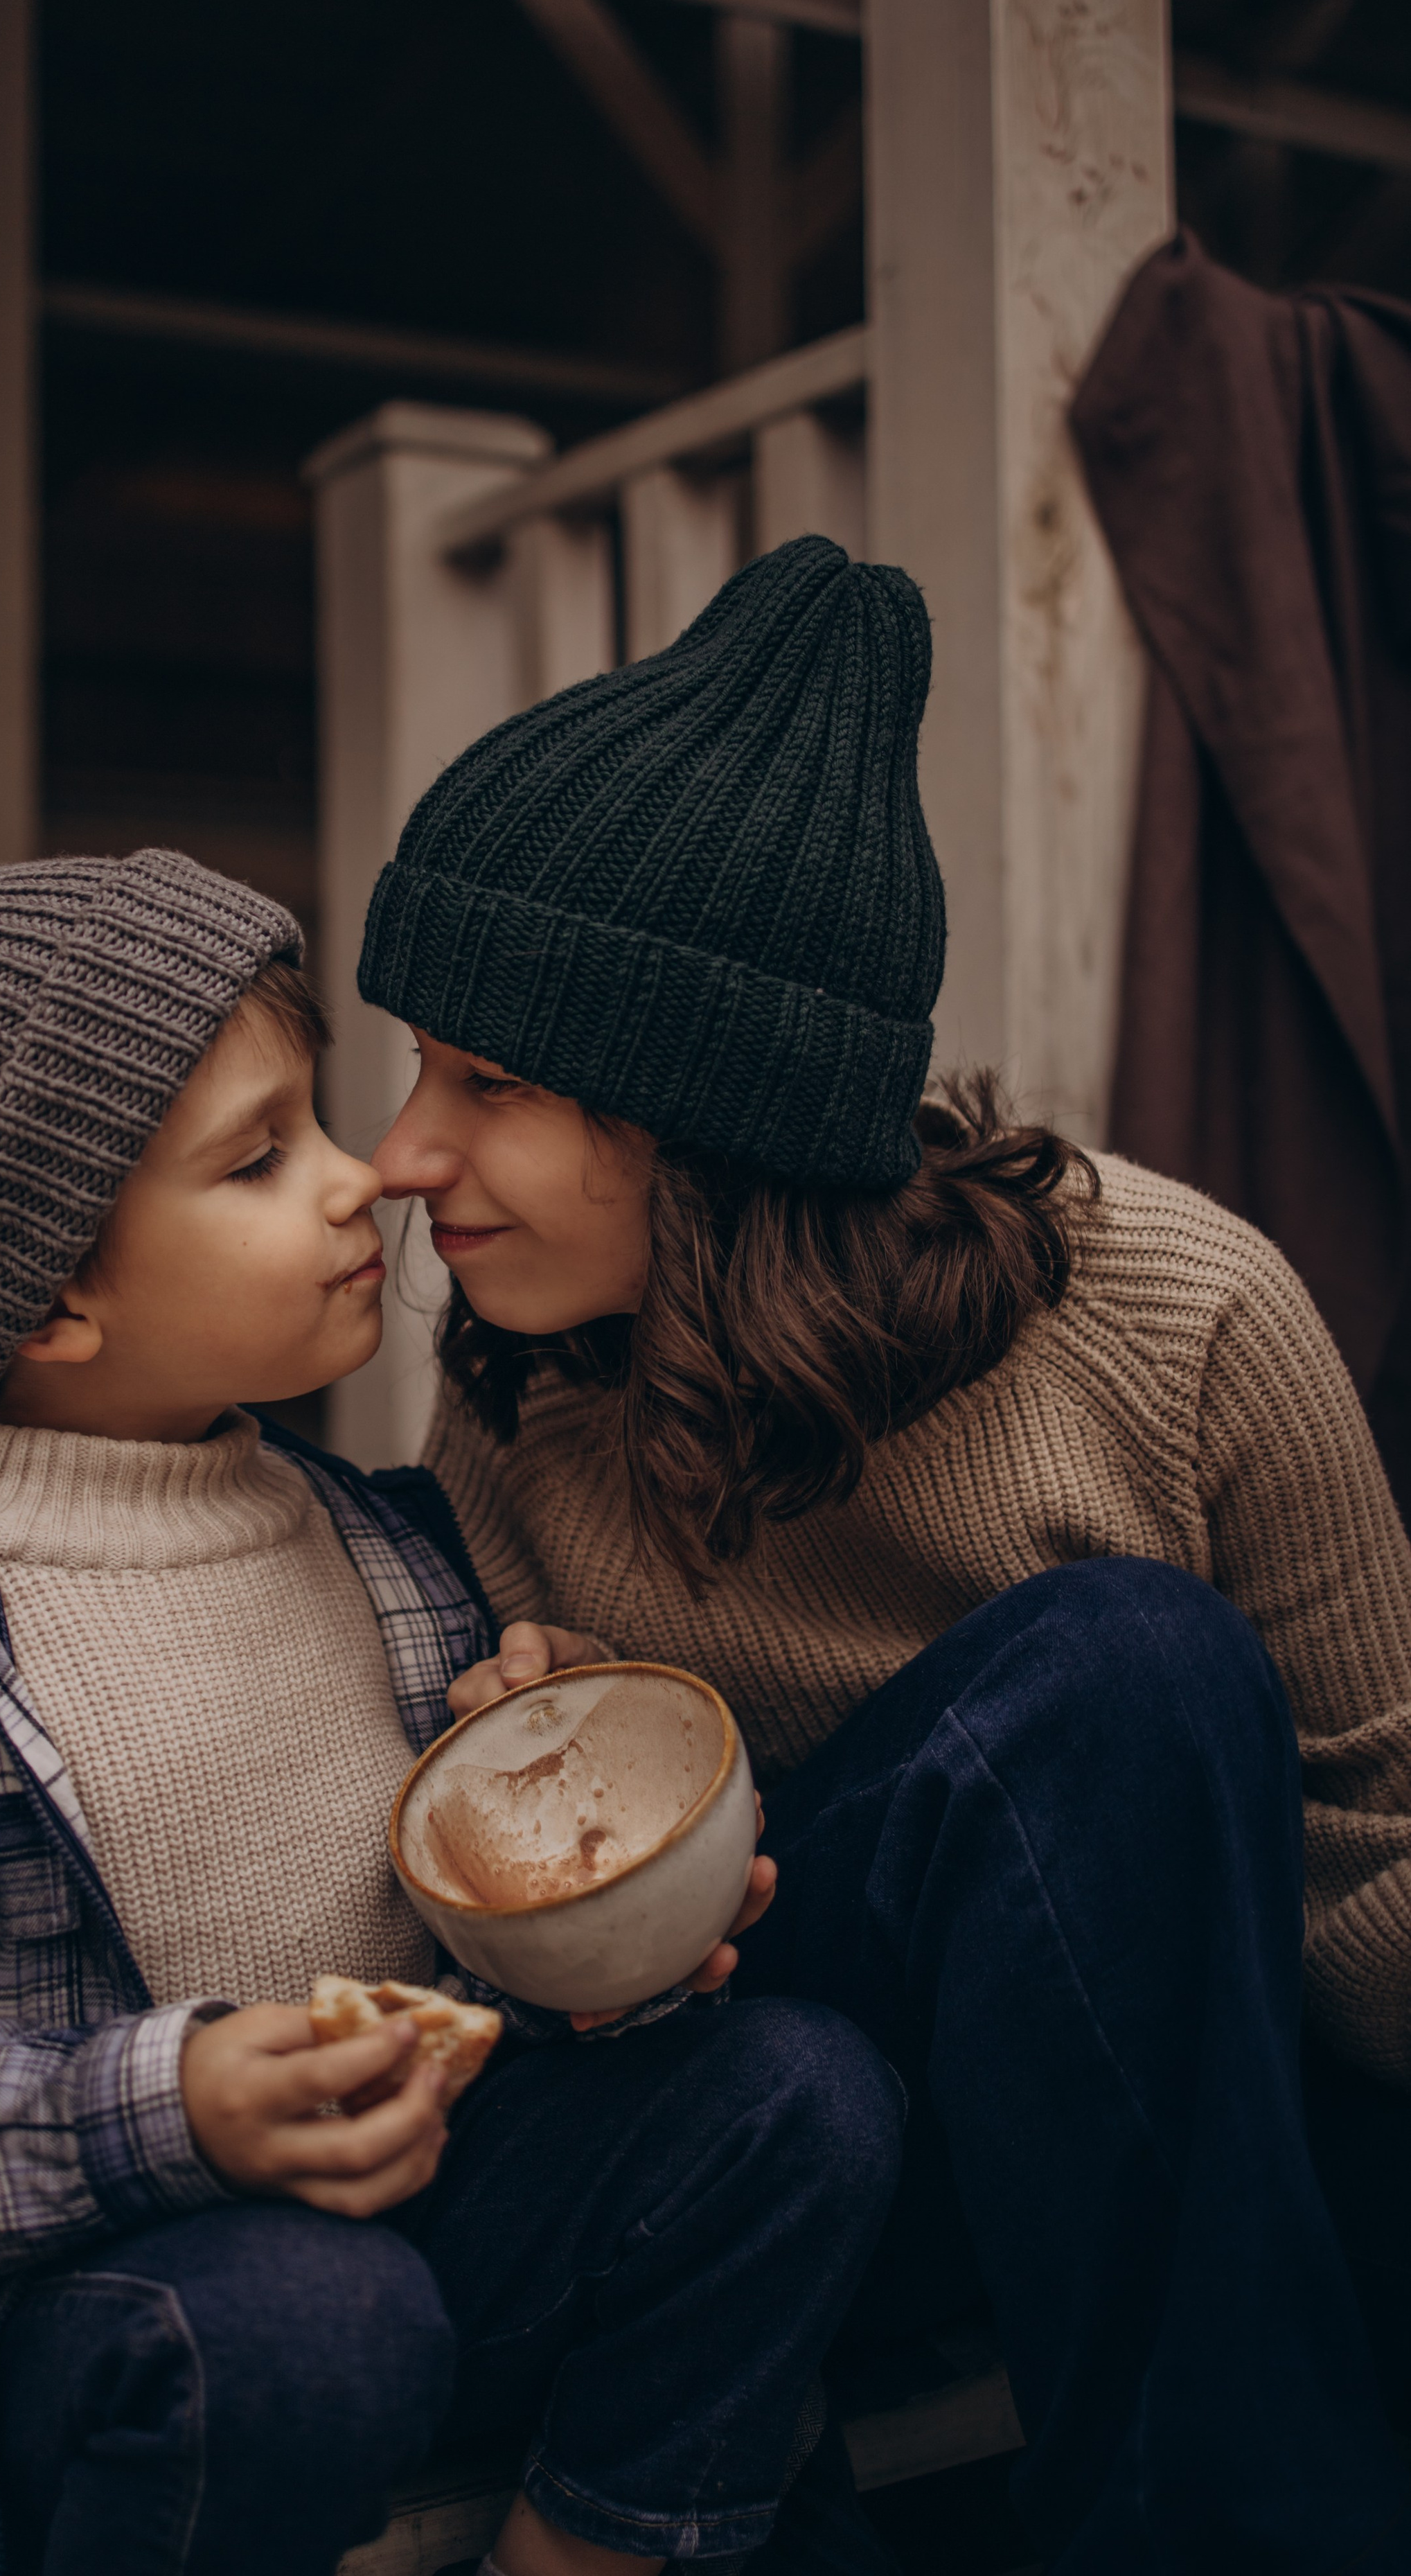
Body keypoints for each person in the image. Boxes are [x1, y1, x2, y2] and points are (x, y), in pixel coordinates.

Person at [359, 535, 1411, 2573]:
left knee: (1128, 1670)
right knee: (1110, 1678)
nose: (405, 1156)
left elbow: (1375, 1845)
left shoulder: (1179, 1317)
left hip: (1161, 2076)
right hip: (799, 2107)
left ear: (705, 1112)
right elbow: (622, 1980)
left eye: (484, 1083)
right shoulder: (519, 1385)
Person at [0, 850, 901, 2576]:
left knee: (795, 2087)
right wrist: (167, 2106)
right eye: (260, 1159)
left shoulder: (381, 1547)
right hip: (101, 2324)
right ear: (45, 1299)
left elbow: (436, 1985)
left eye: (319, 1124)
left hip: (420, 2222)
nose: (362, 1184)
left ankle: (594, 2539)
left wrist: (575, 1942)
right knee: (318, 2316)